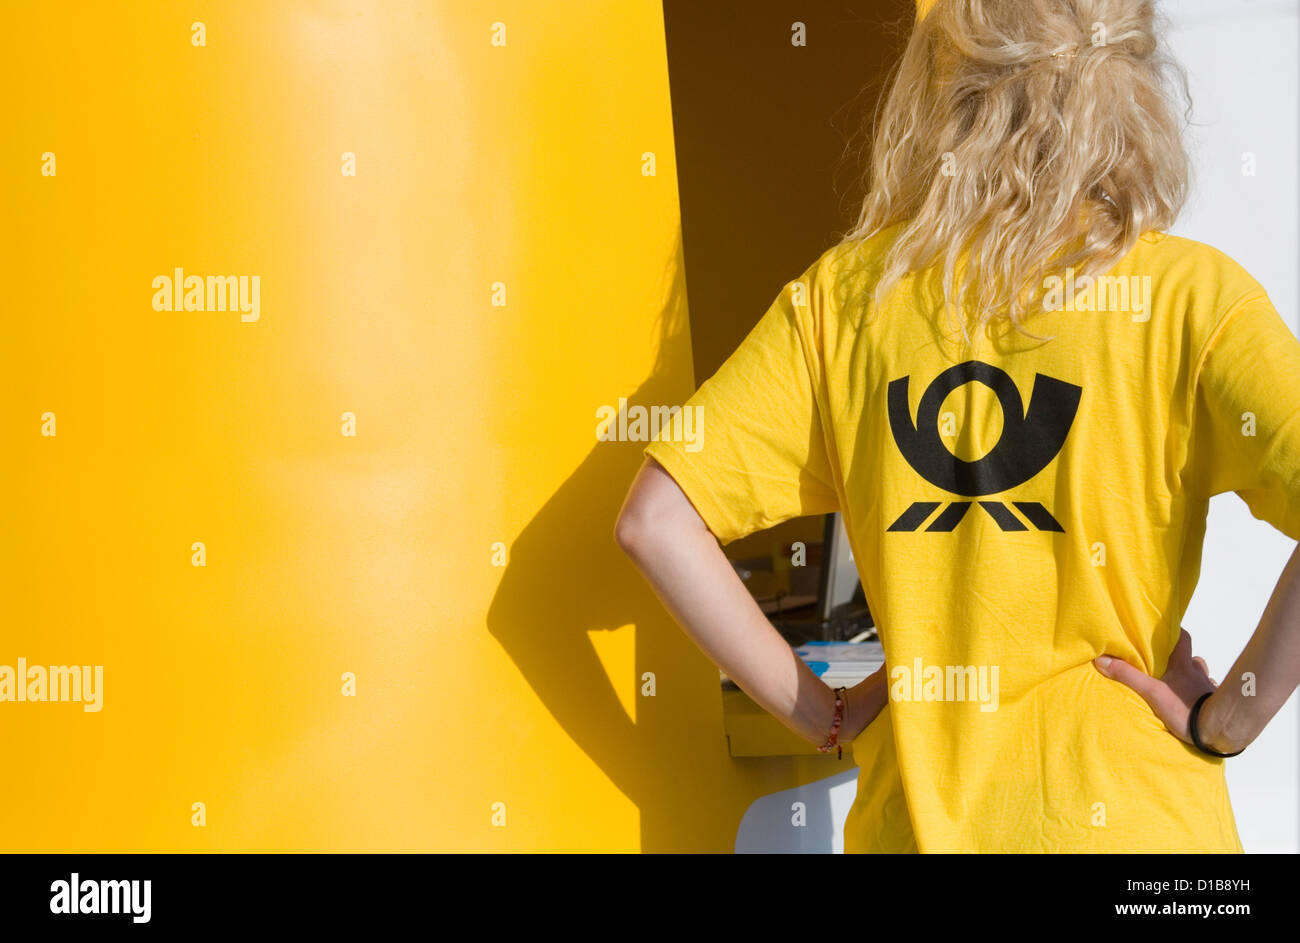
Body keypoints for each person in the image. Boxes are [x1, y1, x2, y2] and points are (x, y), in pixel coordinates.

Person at [614, 0, 1300, 853]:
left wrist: (821, 713)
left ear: (949, 90)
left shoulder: (848, 299)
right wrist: (1228, 715)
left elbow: (655, 521)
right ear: (1135, 86)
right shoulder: (1195, 299)